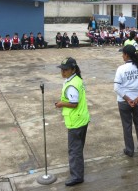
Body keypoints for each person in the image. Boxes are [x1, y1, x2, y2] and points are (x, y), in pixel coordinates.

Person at [55, 57, 90, 186]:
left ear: (73, 69)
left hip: (76, 121)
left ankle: (77, 176)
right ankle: (78, 169)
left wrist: (60, 104)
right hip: (82, 118)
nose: (63, 72)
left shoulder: (72, 84)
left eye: (66, 70)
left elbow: (73, 103)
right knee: (78, 148)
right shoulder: (76, 79)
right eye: (62, 69)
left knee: (74, 150)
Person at [114, 45, 138, 157]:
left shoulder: (121, 69)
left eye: (123, 54)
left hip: (124, 101)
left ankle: (129, 150)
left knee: (127, 125)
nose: (122, 56)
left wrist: (128, 99)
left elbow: (117, 88)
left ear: (126, 55)